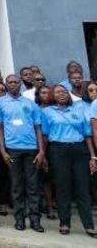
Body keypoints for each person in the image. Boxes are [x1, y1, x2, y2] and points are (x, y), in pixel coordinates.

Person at [0, 74, 45, 232]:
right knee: (16, 187)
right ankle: (19, 219)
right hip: (12, 149)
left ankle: (35, 220)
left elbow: (38, 127)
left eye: (16, 82)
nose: (13, 84)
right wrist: (3, 150)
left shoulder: (30, 103)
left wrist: (41, 150)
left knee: (33, 187)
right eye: (10, 82)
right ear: (6, 84)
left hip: (31, 149)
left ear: (20, 84)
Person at [43, 85, 96, 236]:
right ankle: (64, 223)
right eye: (58, 92)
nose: (62, 94)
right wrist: (43, 155)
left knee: (82, 188)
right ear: (52, 95)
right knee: (63, 187)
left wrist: (93, 156)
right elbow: (44, 135)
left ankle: (89, 225)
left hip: (80, 151)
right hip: (58, 150)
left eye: (64, 92)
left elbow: (87, 135)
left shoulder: (77, 111)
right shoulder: (47, 112)